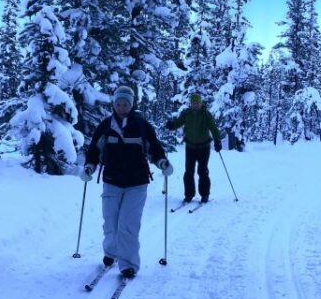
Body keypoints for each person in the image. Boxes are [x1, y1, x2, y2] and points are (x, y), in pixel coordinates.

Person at [80, 85, 172, 279]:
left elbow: (154, 148)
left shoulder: (141, 125)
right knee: (110, 222)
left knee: (128, 225)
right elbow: (94, 151)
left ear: (131, 105)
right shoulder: (105, 126)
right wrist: (89, 166)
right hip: (111, 180)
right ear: (114, 104)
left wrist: (162, 161)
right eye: (118, 104)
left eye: (125, 104)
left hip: (137, 182)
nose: (122, 107)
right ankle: (111, 253)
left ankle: (128, 264)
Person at [165, 92, 222, 204]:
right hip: (190, 146)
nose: (195, 104)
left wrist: (217, 140)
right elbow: (178, 122)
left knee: (202, 171)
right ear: (191, 103)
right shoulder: (186, 113)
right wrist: (171, 125)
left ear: (201, 103)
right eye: (193, 102)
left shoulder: (206, 114)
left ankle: (205, 194)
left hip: (204, 147)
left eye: (197, 102)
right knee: (189, 172)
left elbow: (213, 128)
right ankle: (189, 195)